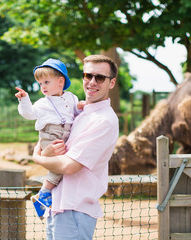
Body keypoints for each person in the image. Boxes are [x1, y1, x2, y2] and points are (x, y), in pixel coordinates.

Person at [32, 54, 119, 239]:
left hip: (74, 210)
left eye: (100, 78)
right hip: (57, 206)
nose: (92, 82)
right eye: (88, 76)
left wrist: (37, 158)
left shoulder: (104, 121)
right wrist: (46, 151)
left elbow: (69, 166)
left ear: (111, 83)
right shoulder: (80, 113)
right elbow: (50, 135)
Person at [15, 58, 84, 219]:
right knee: (61, 165)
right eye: (40, 84)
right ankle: (44, 193)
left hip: (65, 134)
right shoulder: (41, 104)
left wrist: (81, 106)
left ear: (61, 81)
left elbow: (75, 114)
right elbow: (28, 113)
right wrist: (24, 99)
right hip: (50, 136)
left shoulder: (71, 97)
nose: (43, 87)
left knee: (65, 164)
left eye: (46, 82)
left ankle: (46, 195)